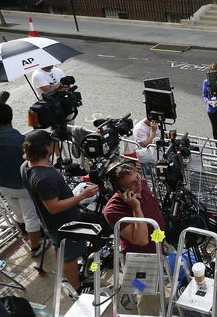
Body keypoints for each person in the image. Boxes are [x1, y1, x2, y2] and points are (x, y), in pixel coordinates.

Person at [21, 129, 98, 293]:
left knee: (60, 248)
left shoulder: (25, 166)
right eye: (51, 143)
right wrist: (83, 195)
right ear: (46, 147)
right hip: (63, 223)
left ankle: (66, 275)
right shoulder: (45, 178)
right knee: (69, 255)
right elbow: (53, 207)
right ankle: (76, 287)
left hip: (51, 223)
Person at [0, 99, 46, 256]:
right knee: (31, 217)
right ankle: (35, 247)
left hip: (3, 186)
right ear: (11, 117)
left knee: (19, 213)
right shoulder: (23, 141)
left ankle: (25, 233)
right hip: (24, 186)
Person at [103, 160, 165, 315]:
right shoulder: (112, 210)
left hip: (158, 247)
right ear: (119, 190)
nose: (139, 185)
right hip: (140, 262)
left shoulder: (142, 183)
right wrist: (136, 207)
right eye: (132, 184)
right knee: (147, 299)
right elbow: (141, 240)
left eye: (138, 179)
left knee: (158, 289)